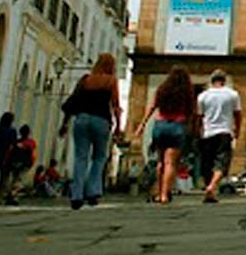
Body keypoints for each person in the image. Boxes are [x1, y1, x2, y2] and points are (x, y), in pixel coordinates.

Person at [60, 53, 122, 210]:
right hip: (101, 120)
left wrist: (65, 124)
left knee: (80, 157)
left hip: (81, 119)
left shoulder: (86, 80)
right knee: (99, 157)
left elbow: (73, 100)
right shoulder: (111, 81)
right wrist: (118, 126)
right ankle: (92, 192)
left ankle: (76, 195)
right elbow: (115, 105)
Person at [134, 65, 194, 204]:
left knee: (160, 162)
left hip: (160, 126)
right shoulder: (186, 92)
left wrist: (142, 125)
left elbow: (152, 107)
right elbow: (191, 112)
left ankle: (158, 191)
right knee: (170, 163)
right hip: (177, 126)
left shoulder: (162, 89)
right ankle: (164, 194)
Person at [196, 69, 242, 204]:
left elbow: (199, 117)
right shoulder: (232, 95)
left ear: (211, 81)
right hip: (224, 132)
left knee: (207, 163)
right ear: (224, 81)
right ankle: (212, 187)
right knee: (222, 163)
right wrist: (237, 130)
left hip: (207, 133)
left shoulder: (203, 96)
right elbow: (238, 115)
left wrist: (198, 131)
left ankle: (209, 190)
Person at [0, 125, 37, 204]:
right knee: (19, 180)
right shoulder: (31, 143)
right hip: (24, 165)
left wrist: (6, 161)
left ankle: (11, 195)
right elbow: (33, 155)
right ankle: (13, 195)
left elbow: (9, 152)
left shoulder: (16, 142)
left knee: (13, 178)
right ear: (28, 133)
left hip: (13, 163)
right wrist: (31, 163)